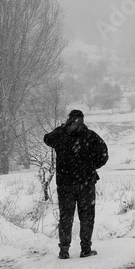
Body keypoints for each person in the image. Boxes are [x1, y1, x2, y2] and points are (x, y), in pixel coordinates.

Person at [43, 109, 108, 259]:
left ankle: (64, 251)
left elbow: (47, 138)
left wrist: (62, 128)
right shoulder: (90, 136)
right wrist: (91, 167)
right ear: (82, 120)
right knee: (87, 217)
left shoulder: (61, 135)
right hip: (86, 183)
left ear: (69, 119)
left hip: (65, 184)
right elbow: (104, 154)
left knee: (66, 218)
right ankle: (86, 249)